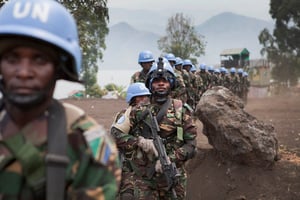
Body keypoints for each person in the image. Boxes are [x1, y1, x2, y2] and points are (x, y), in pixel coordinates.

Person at [0, 0, 121, 199]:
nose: (23, 72)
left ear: (60, 68)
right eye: (12, 59)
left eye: (39, 59)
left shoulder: (86, 145)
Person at [111, 58, 197, 199]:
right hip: (143, 178)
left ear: (171, 83)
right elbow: (115, 134)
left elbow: (191, 145)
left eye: (165, 80)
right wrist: (139, 142)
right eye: (157, 81)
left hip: (172, 175)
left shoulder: (181, 110)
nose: (161, 84)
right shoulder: (137, 110)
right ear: (150, 85)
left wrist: (170, 159)